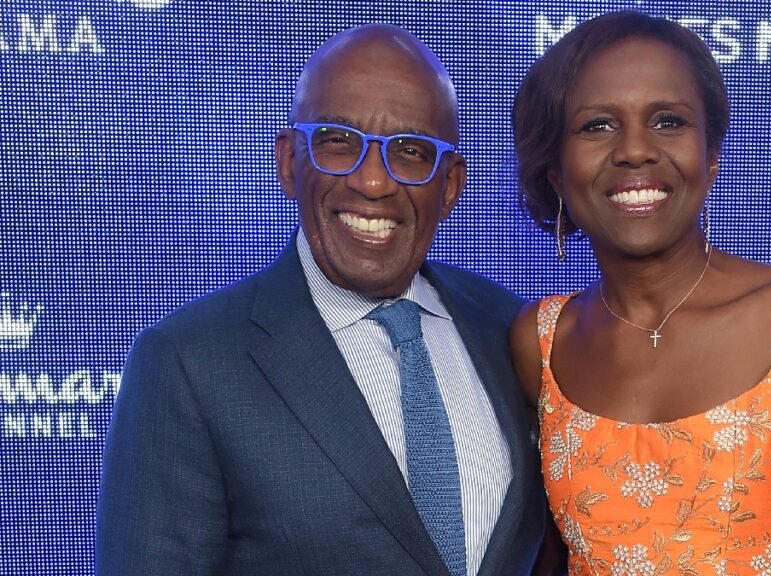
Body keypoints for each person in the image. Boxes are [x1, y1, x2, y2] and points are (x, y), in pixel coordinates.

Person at [97, 24, 548, 576]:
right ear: (290, 162)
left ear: (450, 185)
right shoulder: (188, 361)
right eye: (340, 142)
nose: (374, 182)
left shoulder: (510, 328)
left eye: (410, 152)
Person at [510, 11, 771, 576]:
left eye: (667, 121)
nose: (635, 150)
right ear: (556, 175)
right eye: (597, 126)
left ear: (710, 156)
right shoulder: (539, 342)